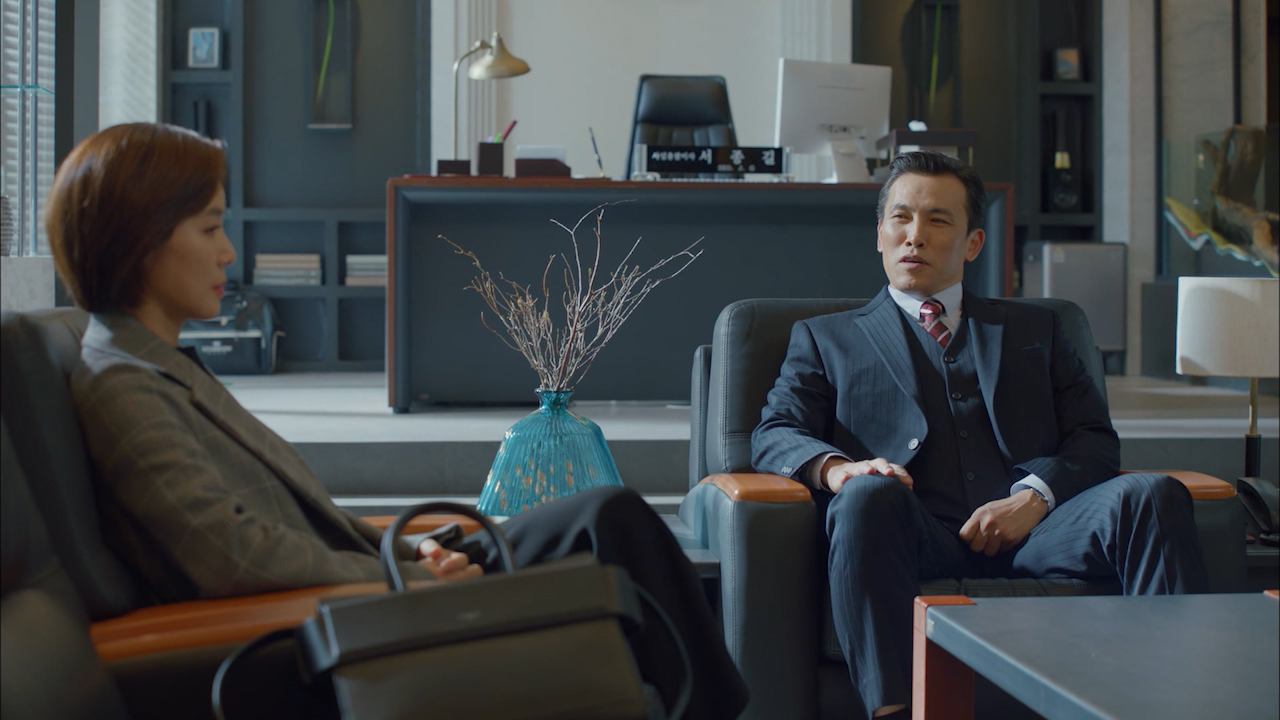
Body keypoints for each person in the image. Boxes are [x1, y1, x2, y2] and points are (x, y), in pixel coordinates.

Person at [49, 122, 747, 719]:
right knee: (609, 524)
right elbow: (236, 559)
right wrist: (407, 578)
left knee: (604, 514)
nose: (228, 252)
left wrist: (417, 550)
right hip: (334, 620)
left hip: (358, 578)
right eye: (209, 228)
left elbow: (286, 525)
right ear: (140, 239)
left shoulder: (156, 364)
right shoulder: (124, 387)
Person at [751, 151, 1207, 719]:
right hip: (914, 532)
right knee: (866, 496)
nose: (915, 235)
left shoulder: (1038, 329)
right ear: (879, 234)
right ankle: (895, 712)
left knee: (1152, 494)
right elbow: (775, 432)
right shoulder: (826, 339)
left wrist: (1034, 498)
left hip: (1041, 533)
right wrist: (840, 470)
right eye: (901, 218)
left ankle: (1173, 705)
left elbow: (1093, 439)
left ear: (973, 243)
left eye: (938, 220)